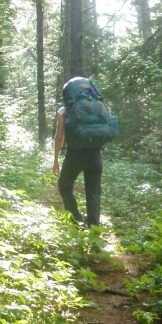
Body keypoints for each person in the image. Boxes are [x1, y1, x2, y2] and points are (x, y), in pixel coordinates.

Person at [52, 93, 103, 226]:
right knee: (93, 191)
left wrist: (55, 160)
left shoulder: (63, 111)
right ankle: (94, 227)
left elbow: (58, 136)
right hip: (95, 153)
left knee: (64, 185)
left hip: (75, 154)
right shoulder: (97, 106)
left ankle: (76, 219)